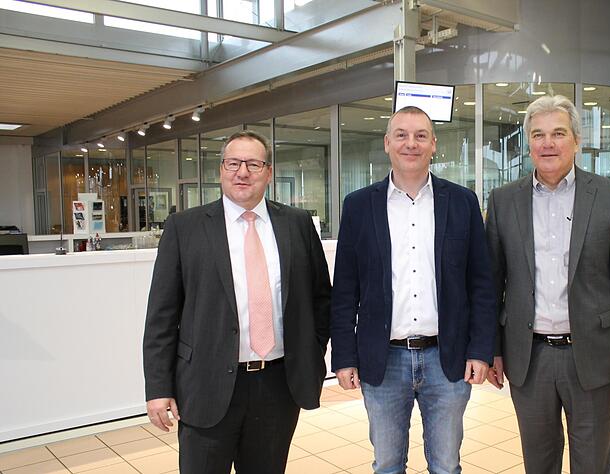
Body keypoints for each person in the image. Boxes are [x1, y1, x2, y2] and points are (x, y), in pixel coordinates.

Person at [143, 130, 331, 474]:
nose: (242, 172)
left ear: (268, 172)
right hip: (206, 385)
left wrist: (311, 354)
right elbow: (161, 317)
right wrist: (158, 387)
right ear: (221, 170)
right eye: (233, 163)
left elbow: (321, 299)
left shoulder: (297, 224)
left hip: (278, 386)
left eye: (253, 164)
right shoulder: (185, 227)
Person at [485, 95, 610, 473]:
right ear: (528, 144)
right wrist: (492, 348)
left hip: (592, 355)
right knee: (538, 463)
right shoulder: (504, 200)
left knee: (593, 463)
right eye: (538, 135)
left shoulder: (609, 196)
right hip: (529, 358)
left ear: (576, 140)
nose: (548, 143)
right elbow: (491, 285)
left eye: (558, 133)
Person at [330, 106, 496, 474]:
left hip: (447, 359)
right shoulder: (358, 205)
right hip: (383, 360)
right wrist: (343, 357)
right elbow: (344, 290)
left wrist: (481, 350)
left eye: (421, 135)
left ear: (434, 144)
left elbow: (482, 284)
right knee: (388, 465)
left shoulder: (463, 202)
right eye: (401, 135)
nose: (411, 143)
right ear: (387, 143)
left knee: (446, 465)